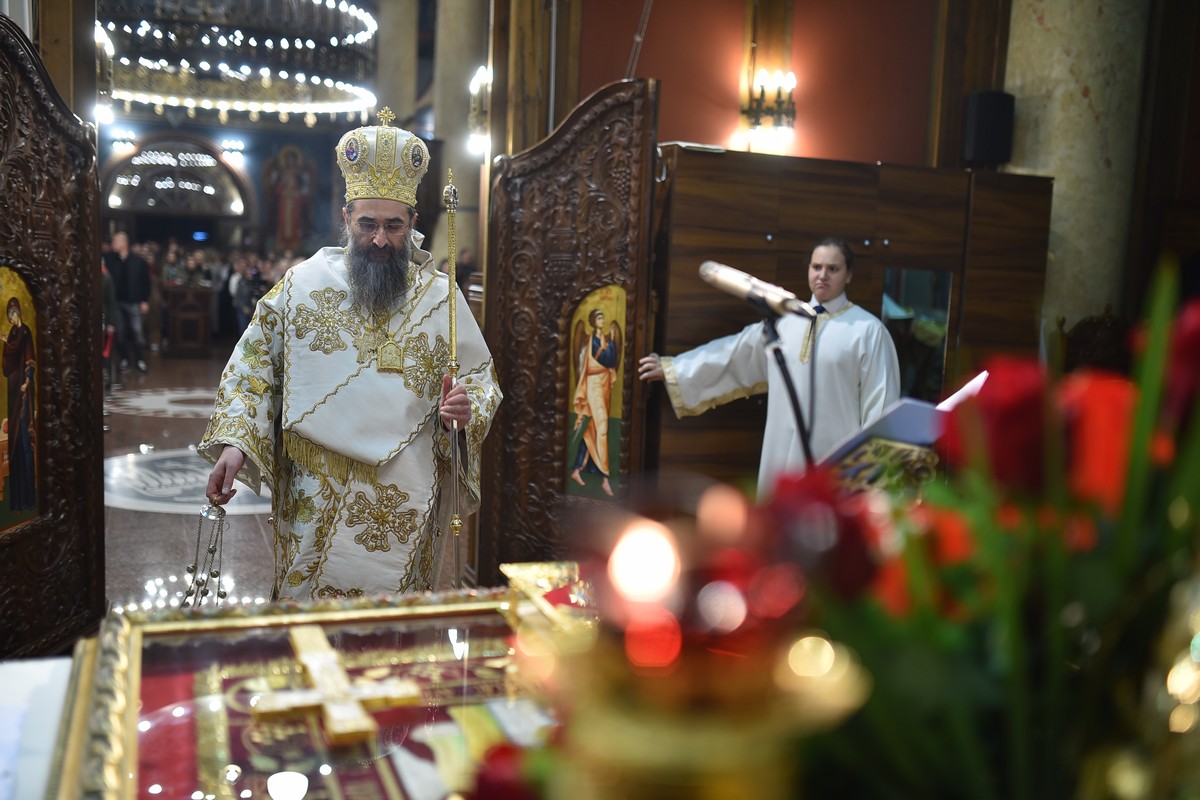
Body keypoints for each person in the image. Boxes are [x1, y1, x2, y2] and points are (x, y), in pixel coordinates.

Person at [201, 109, 502, 600]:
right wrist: (236, 443)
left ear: (413, 223)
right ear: (345, 219)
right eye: (367, 224)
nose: (380, 239)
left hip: (405, 498)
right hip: (314, 496)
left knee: (392, 626)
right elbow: (253, 368)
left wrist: (467, 408)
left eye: (394, 226)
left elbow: (481, 381)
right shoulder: (302, 286)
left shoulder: (441, 300)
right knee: (310, 619)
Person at [637, 237, 900, 499]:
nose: (823, 275)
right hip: (781, 457)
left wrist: (872, 476)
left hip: (837, 465)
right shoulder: (785, 321)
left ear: (849, 275)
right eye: (816, 267)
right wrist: (675, 368)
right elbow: (733, 353)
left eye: (833, 269)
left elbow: (882, 406)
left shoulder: (868, 331)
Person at [570, 308, 621, 496]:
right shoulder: (589, 341)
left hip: (605, 384)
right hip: (593, 384)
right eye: (599, 317)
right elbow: (600, 360)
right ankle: (606, 477)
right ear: (593, 321)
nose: (603, 320)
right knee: (603, 427)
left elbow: (612, 360)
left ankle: (577, 469)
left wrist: (612, 341)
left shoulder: (607, 340)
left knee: (593, 429)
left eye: (603, 317)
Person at [3, 297, 36, 511]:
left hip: (23, 392)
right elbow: (6, 368)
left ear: (19, 313)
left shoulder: (25, 332)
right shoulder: (12, 334)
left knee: (24, 439)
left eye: (14, 312)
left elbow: (31, 361)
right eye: (9, 314)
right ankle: (17, 499)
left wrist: (27, 381)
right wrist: (6, 344)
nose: (12, 317)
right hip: (13, 390)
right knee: (14, 440)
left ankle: (28, 496)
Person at [104, 231, 151, 374]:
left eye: (116, 241)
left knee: (137, 332)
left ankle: (140, 360)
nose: (113, 244)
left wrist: (144, 300)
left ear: (124, 243)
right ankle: (125, 359)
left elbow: (145, 282)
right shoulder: (110, 260)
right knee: (120, 333)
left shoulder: (138, 260)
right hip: (117, 302)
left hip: (134, 301)